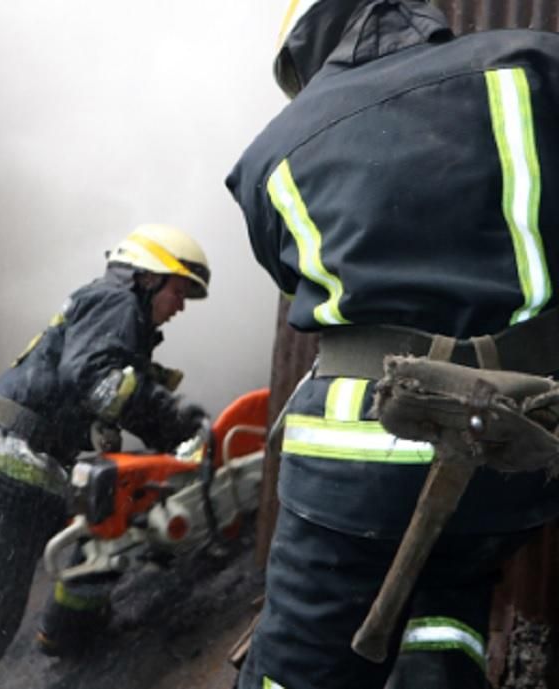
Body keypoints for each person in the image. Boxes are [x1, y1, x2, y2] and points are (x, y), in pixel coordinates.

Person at [226, 2, 559, 687]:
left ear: (307, 43)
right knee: (452, 598)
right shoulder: (535, 67)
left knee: (301, 658)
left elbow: (295, 281)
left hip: (356, 462)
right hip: (515, 451)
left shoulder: (268, 156)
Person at [0, 223, 211, 689]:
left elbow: (98, 385)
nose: (181, 306)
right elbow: (96, 379)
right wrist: (181, 426)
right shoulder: (116, 302)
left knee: (108, 520)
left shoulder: (112, 310)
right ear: (149, 277)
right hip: (5, 469)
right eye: (179, 291)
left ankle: (68, 629)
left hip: (22, 470)